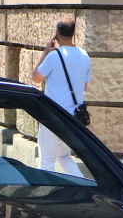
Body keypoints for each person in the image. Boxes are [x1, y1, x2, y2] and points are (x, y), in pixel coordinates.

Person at [32, 18, 90, 176]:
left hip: (53, 115)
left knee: (46, 161)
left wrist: (45, 52)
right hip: (72, 118)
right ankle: (84, 189)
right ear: (73, 34)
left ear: (56, 34)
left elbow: (36, 78)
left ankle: (44, 197)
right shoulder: (84, 56)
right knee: (64, 156)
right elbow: (84, 86)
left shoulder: (54, 56)